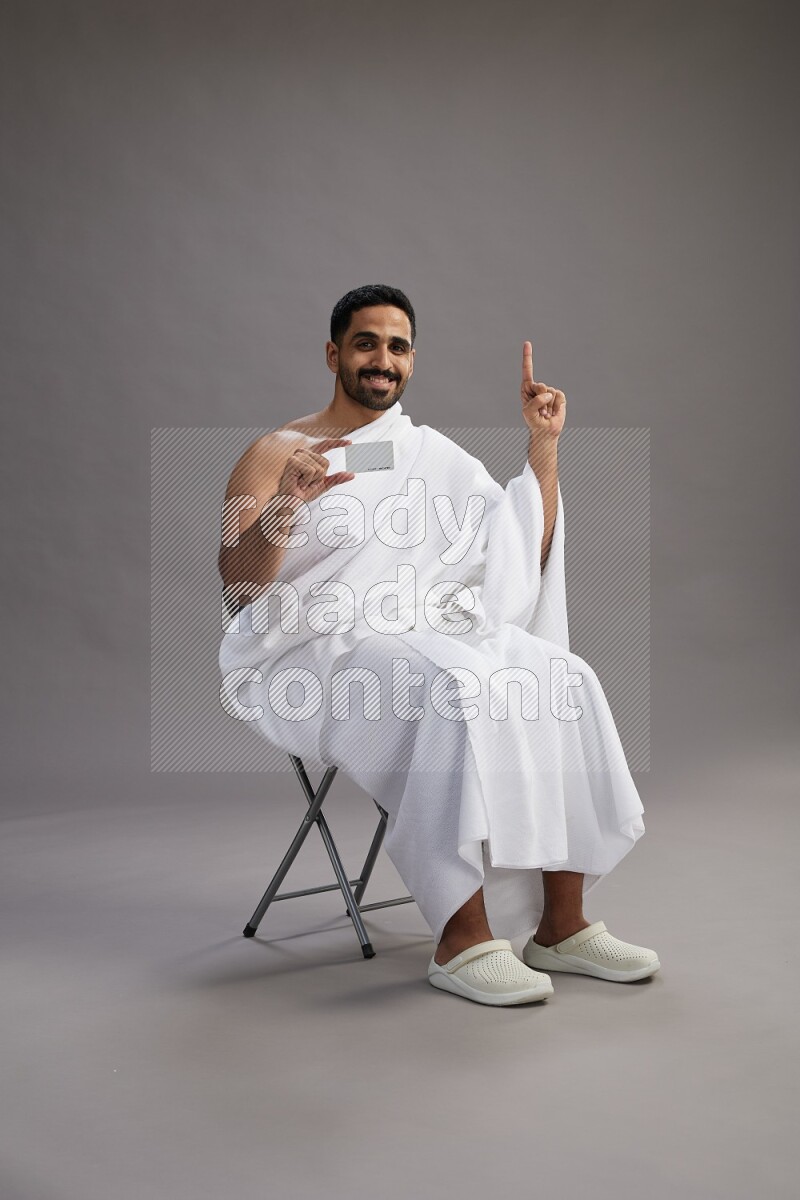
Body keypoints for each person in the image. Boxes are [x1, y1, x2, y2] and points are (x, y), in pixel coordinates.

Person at [217, 284, 660, 1007]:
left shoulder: (430, 456)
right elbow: (237, 589)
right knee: (453, 686)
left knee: (562, 677)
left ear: (412, 361)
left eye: (397, 346)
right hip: (308, 650)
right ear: (334, 353)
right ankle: (461, 938)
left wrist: (542, 447)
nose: (381, 359)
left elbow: (522, 550)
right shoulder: (274, 452)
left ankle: (562, 924)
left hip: (421, 631)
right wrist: (288, 505)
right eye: (366, 343)